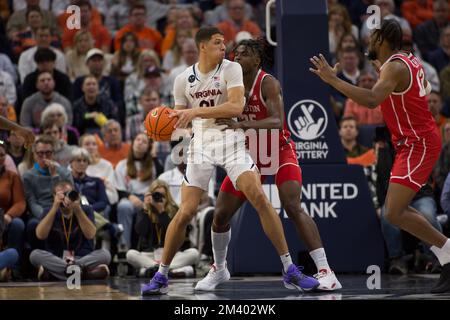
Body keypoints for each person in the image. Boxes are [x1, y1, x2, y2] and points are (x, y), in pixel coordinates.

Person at [141, 27, 319, 295]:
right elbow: (181, 120)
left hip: (231, 142)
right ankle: (162, 275)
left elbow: (236, 107)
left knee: (259, 196)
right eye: (217, 42)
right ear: (202, 47)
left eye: (224, 42)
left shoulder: (231, 69)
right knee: (186, 211)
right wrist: (166, 124)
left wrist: (194, 112)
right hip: (201, 144)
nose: (224, 47)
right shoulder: (182, 79)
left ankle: (289, 269)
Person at [309, 19, 450, 293]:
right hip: (410, 141)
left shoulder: (395, 67)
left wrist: (332, 80)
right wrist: (383, 73)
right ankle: (446, 256)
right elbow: (407, 93)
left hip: (418, 142)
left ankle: (447, 253)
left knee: (394, 212)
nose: (368, 42)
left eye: (372, 38)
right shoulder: (403, 62)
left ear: (383, 40)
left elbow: (373, 100)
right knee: (397, 212)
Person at [195, 39, 341, 292]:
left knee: (293, 206)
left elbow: (276, 121)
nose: (237, 57)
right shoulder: (228, 84)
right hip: (247, 156)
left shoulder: (268, 82)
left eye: (244, 54)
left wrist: (241, 125)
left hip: (278, 150)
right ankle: (219, 269)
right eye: (235, 54)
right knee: (219, 216)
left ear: (257, 60)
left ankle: (326, 270)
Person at [30, 180, 111, 281]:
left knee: (105, 254)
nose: (66, 198)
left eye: (69, 194)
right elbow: (40, 235)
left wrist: (77, 209)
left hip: (81, 258)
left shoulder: (86, 210)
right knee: (35, 255)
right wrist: (55, 207)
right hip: (57, 258)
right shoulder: (48, 211)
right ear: (54, 196)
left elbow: (90, 235)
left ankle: (57, 274)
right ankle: (84, 274)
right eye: (62, 195)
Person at [126, 180, 199, 278]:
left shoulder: (174, 210)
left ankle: (153, 270)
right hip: (150, 254)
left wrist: (162, 212)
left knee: (194, 253)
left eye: (162, 195)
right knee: (130, 254)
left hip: (171, 254)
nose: (158, 198)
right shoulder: (145, 211)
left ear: (167, 196)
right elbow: (141, 231)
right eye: (156, 195)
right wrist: (145, 209)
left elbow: (176, 232)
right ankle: (168, 270)